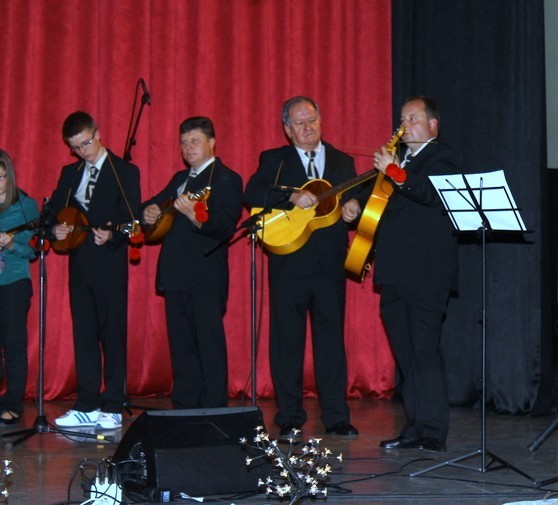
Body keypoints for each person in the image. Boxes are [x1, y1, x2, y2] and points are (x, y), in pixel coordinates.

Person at [244, 96, 359, 438]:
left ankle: (337, 416)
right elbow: (252, 193)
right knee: (287, 344)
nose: (308, 127)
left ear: (321, 121)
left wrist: (353, 206)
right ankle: (290, 415)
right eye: (299, 123)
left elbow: (361, 195)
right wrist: (291, 196)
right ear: (287, 129)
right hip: (288, 264)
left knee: (331, 343)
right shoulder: (274, 160)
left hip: (329, 265)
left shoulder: (342, 160)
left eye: (312, 120)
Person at [371, 96, 461, 453]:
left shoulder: (443, 156)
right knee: (405, 354)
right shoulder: (401, 162)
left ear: (432, 125)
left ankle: (434, 431)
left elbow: (429, 193)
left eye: (413, 118)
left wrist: (394, 172)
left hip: (427, 274)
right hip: (394, 272)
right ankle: (414, 426)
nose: (405, 125)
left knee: (424, 351)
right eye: (402, 119)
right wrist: (356, 205)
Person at [46, 111, 141, 430]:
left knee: (112, 333)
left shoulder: (124, 171)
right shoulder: (70, 172)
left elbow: (133, 220)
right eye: (75, 147)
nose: (82, 151)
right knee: (84, 334)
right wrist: (54, 230)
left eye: (86, 143)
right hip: (80, 263)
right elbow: (53, 212)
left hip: (110, 264)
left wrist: (113, 235)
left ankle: (113, 404)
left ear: (98, 133)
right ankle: (86, 403)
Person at [142, 117, 242, 409]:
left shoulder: (227, 178)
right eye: (183, 142)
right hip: (175, 275)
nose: (188, 147)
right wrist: (148, 212)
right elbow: (152, 204)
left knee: (209, 347)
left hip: (205, 275)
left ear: (212, 142)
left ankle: (213, 410)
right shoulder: (179, 178)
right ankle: (185, 408)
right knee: (181, 347)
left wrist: (194, 215)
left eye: (194, 141)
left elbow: (225, 226)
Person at [0, 150, 39, 425]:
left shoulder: (26, 206)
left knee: (13, 344)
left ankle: (13, 403)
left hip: (13, 283)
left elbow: (34, 251)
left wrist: (12, 244)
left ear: (9, 176)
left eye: (1, 177)